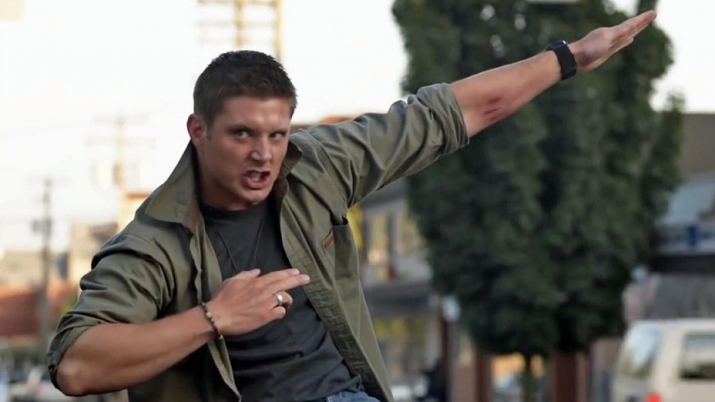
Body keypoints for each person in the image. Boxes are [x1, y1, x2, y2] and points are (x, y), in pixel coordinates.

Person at [47, 10, 657, 402]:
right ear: (198, 131)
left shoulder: (316, 164)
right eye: (242, 135)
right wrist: (213, 317)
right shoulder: (156, 241)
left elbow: (447, 114)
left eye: (276, 134)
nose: (263, 154)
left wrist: (568, 59)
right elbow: (76, 365)